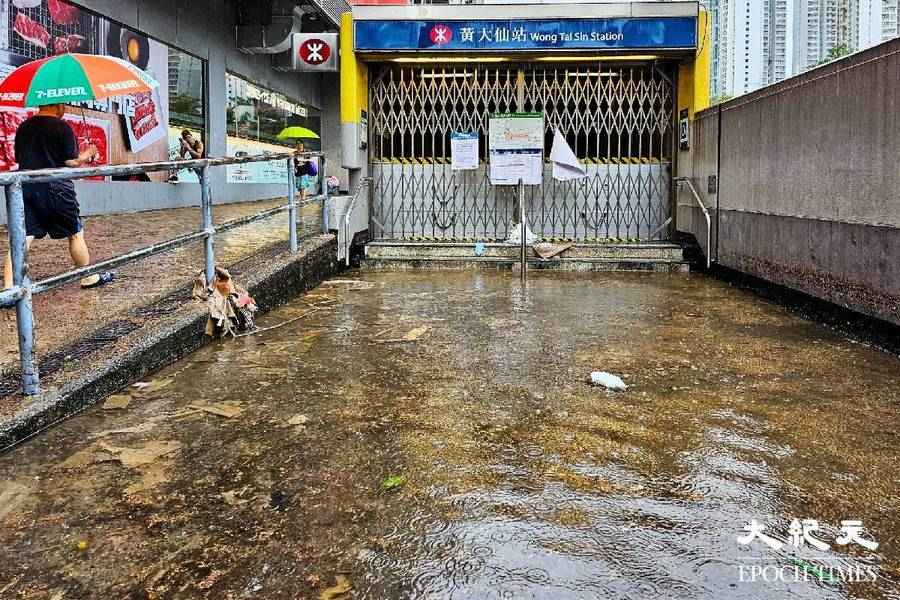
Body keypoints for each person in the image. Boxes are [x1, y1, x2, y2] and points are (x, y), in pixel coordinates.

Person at [3, 103, 113, 290]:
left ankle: (8, 287)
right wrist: (88, 154)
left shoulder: (24, 127)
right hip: (56, 187)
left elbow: (18, 158)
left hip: (25, 186)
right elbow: (71, 162)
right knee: (75, 233)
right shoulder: (62, 127)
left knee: (23, 236)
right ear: (58, 105)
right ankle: (88, 277)